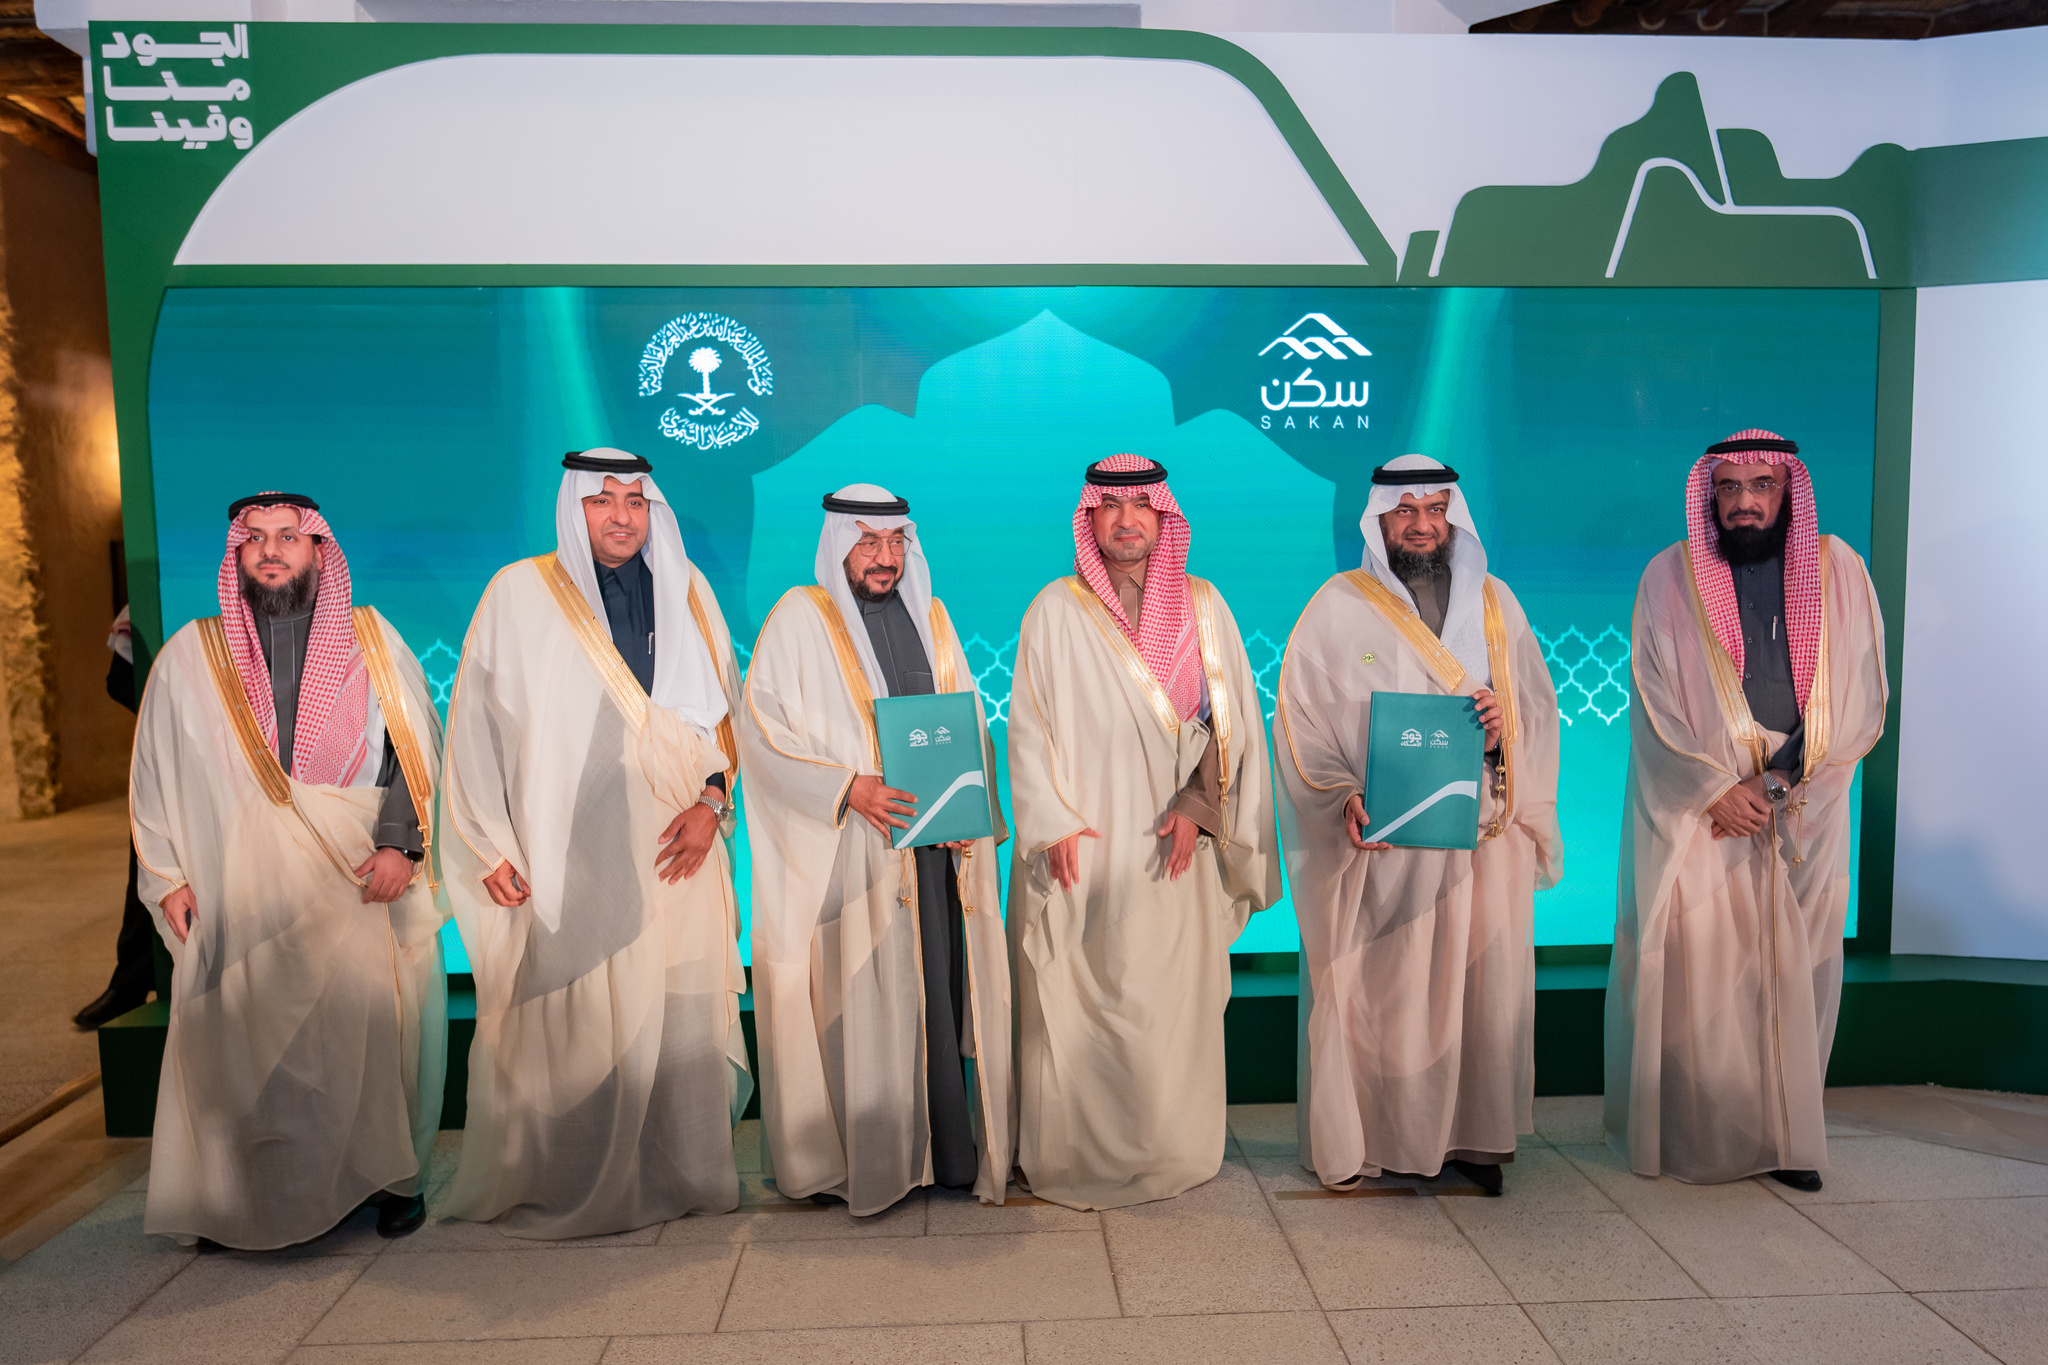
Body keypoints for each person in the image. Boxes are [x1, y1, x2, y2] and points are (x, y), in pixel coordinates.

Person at [440, 448, 751, 1237]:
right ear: (571, 505)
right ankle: (573, 1181)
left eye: (635, 501)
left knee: (674, 1006)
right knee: (576, 1016)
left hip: (677, 845)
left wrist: (713, 803)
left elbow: (726, 719)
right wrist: (488, 845)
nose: (621, 516)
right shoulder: (518, 592)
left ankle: (679, 1173)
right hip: (564, 850)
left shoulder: (687, 587)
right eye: (602, 499)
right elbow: (472, 729)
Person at [129, 493, 444, 1248]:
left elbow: (412, 752)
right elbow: (153, 773)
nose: (272, 551)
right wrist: (167, 877)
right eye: (256, 540)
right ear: (235, 557)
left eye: (289, 538)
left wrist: (399, 846)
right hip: (238, 888)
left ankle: (386, 1181)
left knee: (363, 1036)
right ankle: (237, 1196)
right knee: (246, 1038)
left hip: (355, 880)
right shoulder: (191, 656)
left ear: (317, 552)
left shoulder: (372, 639)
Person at [1607, 430, 1888, 1190]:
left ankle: (1788, 1137)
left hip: (1807, 802)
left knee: (1799, 969)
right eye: (1729, 488)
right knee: (1707, 970)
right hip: (1708, 809)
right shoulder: (1669, 574)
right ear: (1711, 494)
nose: (1744, 503)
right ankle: (1705, 1132)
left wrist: (1785, 780)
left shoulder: (1839, 570)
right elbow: (1654, 705)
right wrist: (1713, 790)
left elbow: (1861, 690)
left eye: (1761, 485)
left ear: (1789, 490)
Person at [1276, 455, 1561, 1197]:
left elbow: (1536, 709)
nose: (1422, 525)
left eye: (1436, 509)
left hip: (1481, 840)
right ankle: (1384, 1138)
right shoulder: (1337, 606)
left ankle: (1476, 1139)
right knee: (1390, 996)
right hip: (1388, 846)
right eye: (1405, 511)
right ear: (1380, 519)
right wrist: (1340, 793)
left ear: (1454, 518)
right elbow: (1302, 723)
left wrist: (1503, 729)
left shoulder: (1497, 604)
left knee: (1479, 990)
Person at [1006, 454, 1279, 1210]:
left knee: (1165, 1004)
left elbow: (1230, 722)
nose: (1126, 521)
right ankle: (1072, 1152)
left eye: (1141, 506)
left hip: (1174, 847)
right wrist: (1049, 822)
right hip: (1083, 845)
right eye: (1110, 507)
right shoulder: (1054, 610)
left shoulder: (1203, 605)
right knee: (1081, 1000)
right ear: (1089, 518)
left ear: (1164, 516)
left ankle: (1170, 1145)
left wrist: (1198, 807)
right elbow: (1027, 729)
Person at [737, 484, 1013, 1214]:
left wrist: (970, 807)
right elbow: (760, 732)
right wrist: (846, 788)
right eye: (868, 542)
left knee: (933, 996)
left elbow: (966, 721)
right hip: (850, 853)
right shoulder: (798, 618)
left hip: (932, 853)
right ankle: (869, 1159)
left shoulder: (933, 616)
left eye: (895, 543)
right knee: (862, 999)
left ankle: (945, 1156)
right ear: (838, 545)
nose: (884, 558)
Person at [74, 606, 158, 1032]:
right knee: (150, 856)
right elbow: (119, 678)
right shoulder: (168, 580)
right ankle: (131, 981)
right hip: (178, 745)